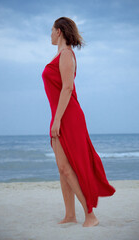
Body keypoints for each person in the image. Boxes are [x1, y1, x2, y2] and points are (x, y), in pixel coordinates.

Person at [42, 17, 116, 227]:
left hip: (67, 117)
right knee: (62, 167)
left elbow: (67, 88)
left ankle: (90, 215)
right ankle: (70, 215)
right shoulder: (60, 55)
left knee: (68, 167)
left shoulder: (66, 54)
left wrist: (57, 120)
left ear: (58, 31)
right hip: (59, 116)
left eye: (51, 30)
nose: (50, 34)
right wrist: (55, 119)